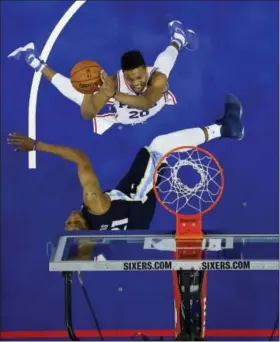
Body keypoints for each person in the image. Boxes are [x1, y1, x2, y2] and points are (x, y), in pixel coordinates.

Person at [7, 94, 244, 231]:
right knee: (158, 146)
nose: (72, 216)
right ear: (85, 226)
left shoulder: (93, 237)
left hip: (135, 220)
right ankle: (226, 128)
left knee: (159, 158)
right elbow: (82, 160)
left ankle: (223, 129)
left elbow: (85, 248)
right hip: (136, 198)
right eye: (75, 220)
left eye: (68, 221)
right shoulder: (93, 204)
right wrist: (38, 146)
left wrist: (76, 266)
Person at [7, 21, 197, 134]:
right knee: (78, 95)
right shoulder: (113, 82)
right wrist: (88, 92)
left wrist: (115, 94)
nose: (137, 82)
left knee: (165, 65)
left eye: (140, 76)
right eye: (131, 79)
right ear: (124, 75)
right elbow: (87, 115)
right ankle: (34, 60)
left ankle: (179, 38)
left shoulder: (157, 78)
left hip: (152, 107)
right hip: (124, 116)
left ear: (145, 71)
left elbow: (146, 102)